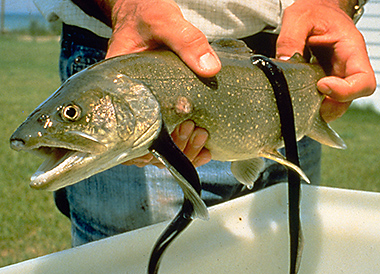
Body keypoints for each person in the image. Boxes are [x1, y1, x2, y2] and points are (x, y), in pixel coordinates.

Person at [33, 0, 375, 246]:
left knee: (284, 251)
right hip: (128, 48)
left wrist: (336, 4)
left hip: (290, 66)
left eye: (71, 116)